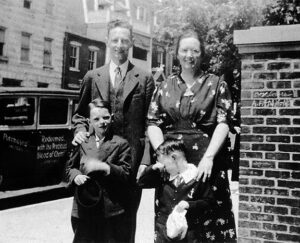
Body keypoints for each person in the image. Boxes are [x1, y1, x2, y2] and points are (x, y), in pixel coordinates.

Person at [146, 28, 237, 242]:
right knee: (172, 223)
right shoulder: (164, 86)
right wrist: (164, 157)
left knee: (207, 223)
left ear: (201, 54)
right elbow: (152, 122)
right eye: (185, 50)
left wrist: (209, 157)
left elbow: (224, 122)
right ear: (177, 53)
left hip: (206, 167)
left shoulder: (216, 84)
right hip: (173, 167)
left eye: (195, 51)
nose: (189, 55)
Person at [72, 19, 155, 242]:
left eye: (124, 40)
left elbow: (151, 122)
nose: (119, 44)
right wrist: (79, 131)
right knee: (91, 226)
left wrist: (145, 161)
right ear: (107, 41)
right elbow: (80, 115)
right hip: (95, 162)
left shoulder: (145, 78)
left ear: (131, 42)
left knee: (124, 229)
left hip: (129, 167)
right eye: (115, 39)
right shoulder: (92, 76)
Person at [66, 98, 132, 243]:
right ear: (89, 122)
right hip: (84, 208)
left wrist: (106, 167)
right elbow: (70, 168)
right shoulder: (82, 141)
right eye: (96, 119)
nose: (102, 122)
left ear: (112, 118)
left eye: (106, 117)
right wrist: (76, 176)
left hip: (110, 211)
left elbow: (126, 174)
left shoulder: (121, 143)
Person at [138, 139, 216, 242]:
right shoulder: (162, 176)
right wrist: (153, 168)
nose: (159, 164)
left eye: (160, 160)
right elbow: (141, 182)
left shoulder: (196, 177)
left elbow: (209, 202)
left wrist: (189, 205)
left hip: (188, 232)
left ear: (173, 158)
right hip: (162, 230)